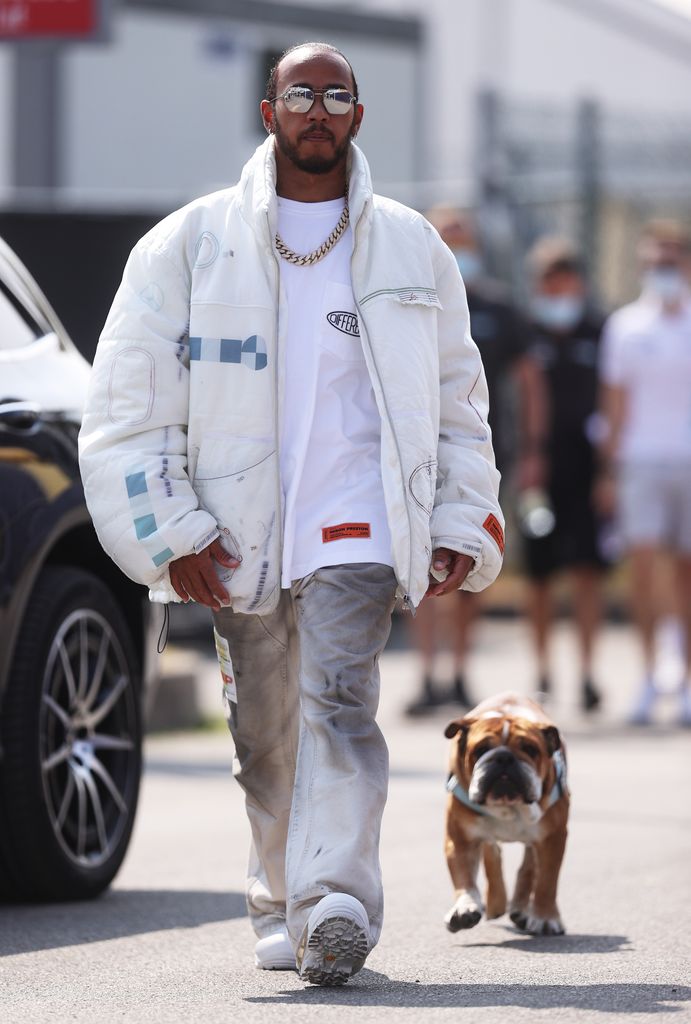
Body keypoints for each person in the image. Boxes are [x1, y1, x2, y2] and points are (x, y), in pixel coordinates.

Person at [78, 42, 503, 986]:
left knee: (342, 706)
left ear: (358, 115)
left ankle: (335, 905)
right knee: (265, 737)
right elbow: (127, 406)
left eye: (336, 95)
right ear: (268, 111)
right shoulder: (188, 243)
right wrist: (171, 532)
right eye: (300, 94)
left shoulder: (408, 244)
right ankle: (278, 895)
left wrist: (458, 520)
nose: (319, 109)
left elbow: (454, 399)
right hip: (236, 533)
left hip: (359, 522)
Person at [405, 207, 545, 714]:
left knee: (467, 558)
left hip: (479, 453)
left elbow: (529, 380)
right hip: (414, 451)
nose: (454, 250)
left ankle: (461, 671)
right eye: (446, 239)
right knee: (416, 563)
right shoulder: (406, 297)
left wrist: (533, 448)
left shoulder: (497, 306)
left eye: (462, 240)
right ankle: (426, 674)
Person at [598, 218, 691, 726]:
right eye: (655, 263)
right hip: (640, 460)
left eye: (671, 262)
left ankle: (687, 683)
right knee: (643, 572)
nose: (664, 271)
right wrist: (608, 471)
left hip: (688, 461)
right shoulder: (627, 326)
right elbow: (615, 404)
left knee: (686, 574)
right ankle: (650, 675)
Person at [522, 237, 608, 712]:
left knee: (587, 571)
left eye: (563, 279)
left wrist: (609, 472)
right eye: (546, 281)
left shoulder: (600, 332)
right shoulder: (527, 332)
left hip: (588, 468)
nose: (555, 290)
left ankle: (590, 671)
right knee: (539, 574)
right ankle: (543, 671)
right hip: (537, 470)